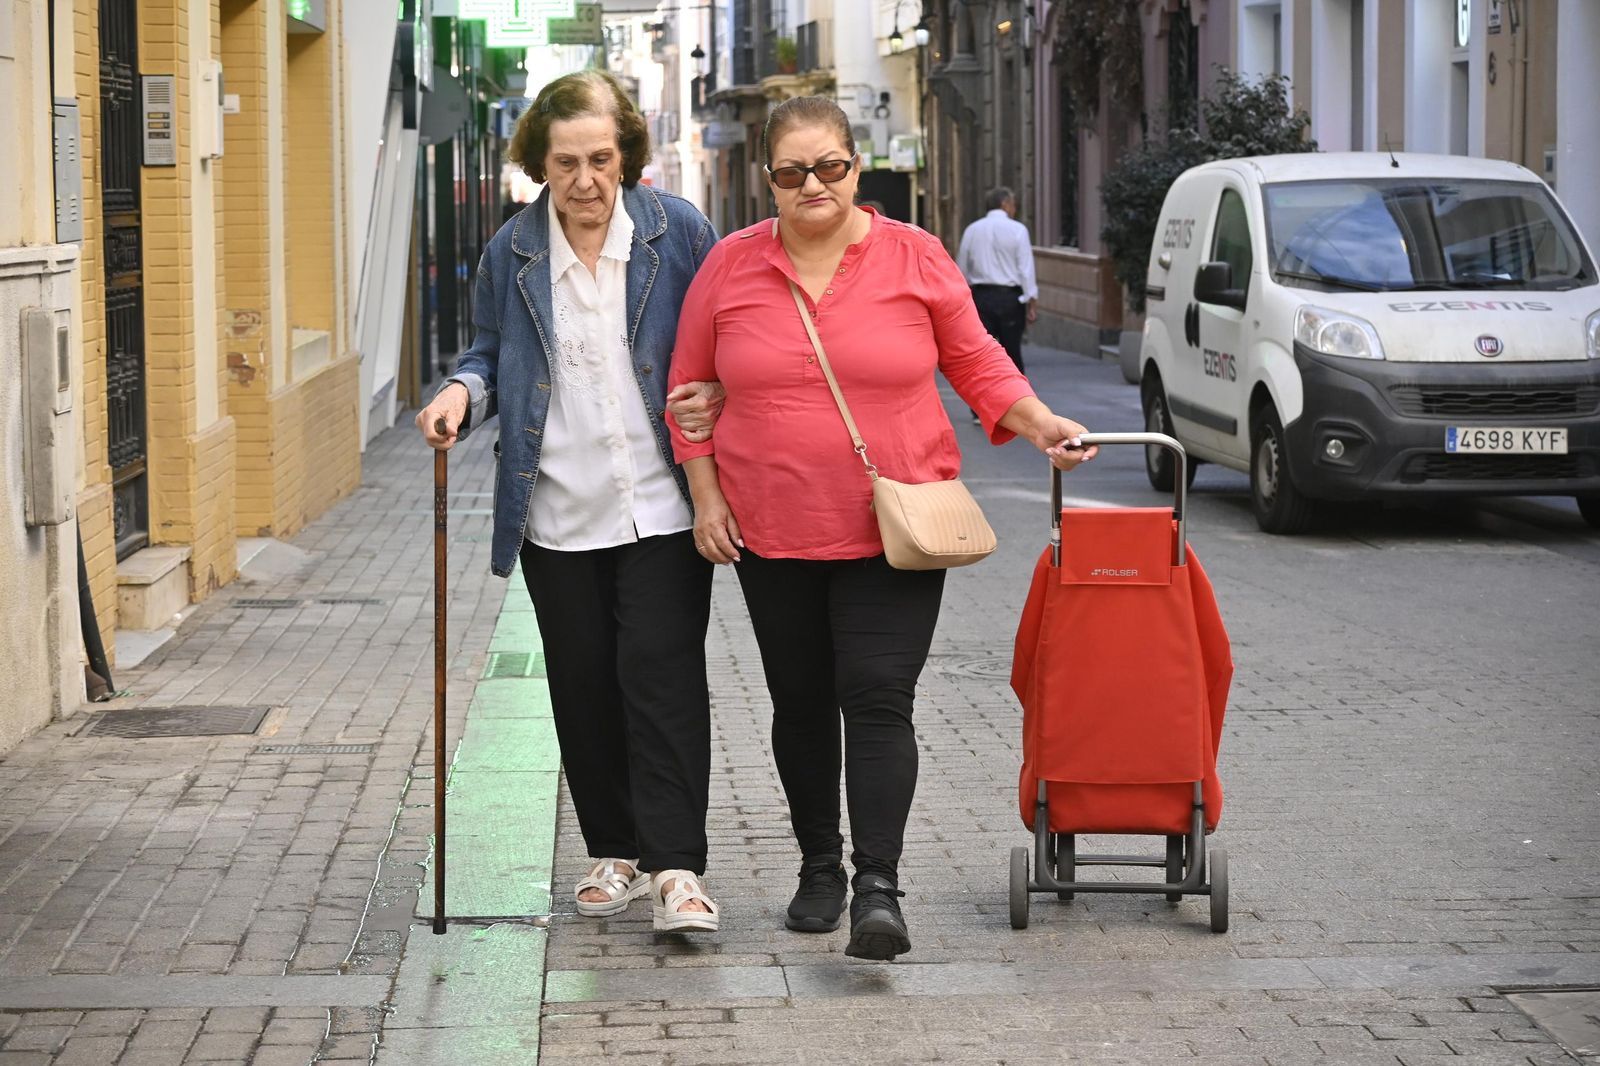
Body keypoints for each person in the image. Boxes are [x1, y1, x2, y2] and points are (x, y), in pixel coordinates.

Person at [663, 96, 1097, 961]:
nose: (812, 184)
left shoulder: (914, 257)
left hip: (897, 525)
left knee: (877, 696)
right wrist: (707, 500)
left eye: (829, 166)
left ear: (856, 168)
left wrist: (1039, 421)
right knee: (799, 704)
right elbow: (687, 392)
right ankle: (819, 865)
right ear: (770, 180)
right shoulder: (730, 265)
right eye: (792, 172)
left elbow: (975, 357)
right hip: (772, 528)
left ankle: (878, 888)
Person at [415, 70, 725, 933]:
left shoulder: (679, 233)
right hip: (555, 511)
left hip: (661, 506)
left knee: (660, 680)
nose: (586, 181)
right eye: (565, 164)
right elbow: (485, 353)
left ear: (624, 152)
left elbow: (727, 333)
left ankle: (676, 870)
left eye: (600, 158)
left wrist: (725, 396)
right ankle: (616, 849)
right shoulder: (511, 253)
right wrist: (459, 396)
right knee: (584, 688)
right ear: (537, 166)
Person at [957, 185, 1039, 423]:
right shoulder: (1018, 230)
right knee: (1012, 352)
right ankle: (1020, 410)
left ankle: (978, 410)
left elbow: (962, 267)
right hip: (1010, 298)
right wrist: (1031, 300)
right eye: (1013, 204)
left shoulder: (972, 230)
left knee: (979, 355)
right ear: (1005, 204)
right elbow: (1026, 268)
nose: (1015, 209)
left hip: (981, 298)